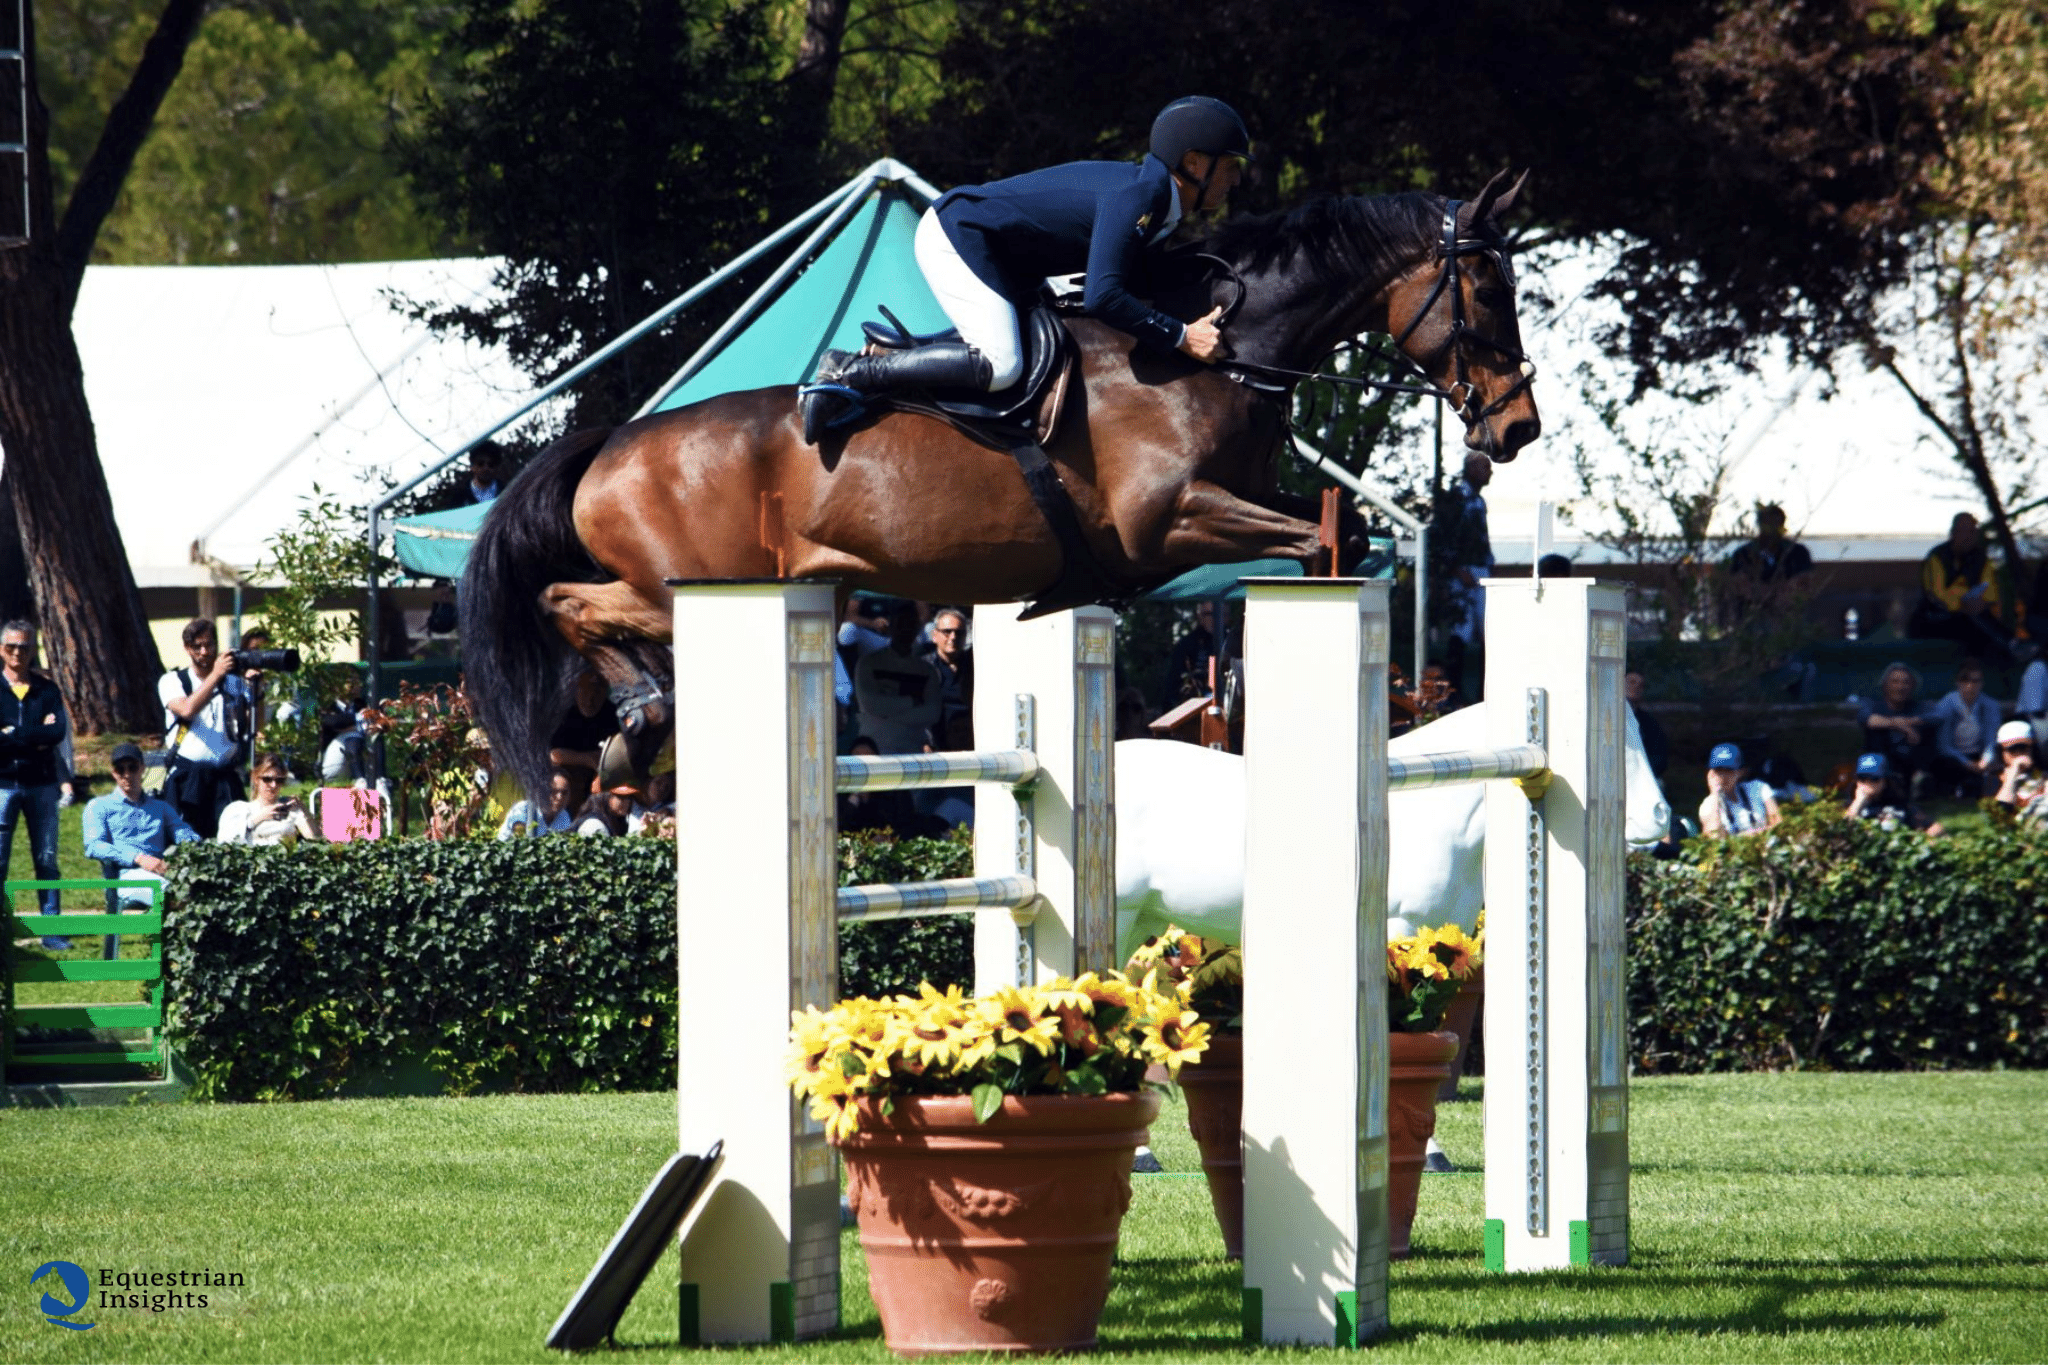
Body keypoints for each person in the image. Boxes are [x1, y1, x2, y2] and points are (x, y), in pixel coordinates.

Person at [799, 97, 1253, 441]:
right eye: (1231, 165)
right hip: (960, 234)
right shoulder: (1141, 197)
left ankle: (887, 356)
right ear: (1193, 163)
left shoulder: (1158, 204)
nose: (1236, 179)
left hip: (1005, 259)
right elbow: (1103, 296)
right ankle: (850, 372)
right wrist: (1181, 336)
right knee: (1002, 365)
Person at [0, 620, 69, 948]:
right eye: (11, 646)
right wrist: (34, 735)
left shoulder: (47, 690)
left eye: (24, 647)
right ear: (1, 649)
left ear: (33, 649)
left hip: (42, 785)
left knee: (46, 859)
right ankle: (2, 931)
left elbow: (57, 732)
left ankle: (51, 931)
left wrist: (11, 733)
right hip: (2, 786)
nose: (17, 652)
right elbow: (43, 734)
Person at [159, 617, 254, 839]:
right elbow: (186, 709)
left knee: (232, 839)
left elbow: (252, 726)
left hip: (225, 774)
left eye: (209, 645)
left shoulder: (234, 683)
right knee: (188, 841)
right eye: (197, 646)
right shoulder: (173, 680)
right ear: (187, 648)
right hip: (187, 777)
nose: (204, 652)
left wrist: (257, 690)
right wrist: (216, 675)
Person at [82, 742, 200, 909]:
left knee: (199, 890)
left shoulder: (161, 807)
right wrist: (137, 858)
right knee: (170, 894)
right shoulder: (99, 806)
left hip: (162, 872)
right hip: (124, 876)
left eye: (132, 768)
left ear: (142, 768)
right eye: (120, 769)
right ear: (113, 773)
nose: (127, 774)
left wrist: (195, 845)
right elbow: (93, 846)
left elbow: (182, 832)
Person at [1908, 512, 2012, 661]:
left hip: (1970, 615)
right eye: (1963, 531)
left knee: (1978, 624)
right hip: (1933, 618)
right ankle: (2011, 644)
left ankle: (2006, 652)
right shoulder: (1937, 557)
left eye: (1972, 532)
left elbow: (1990, 593)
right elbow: (1937, 596)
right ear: (1953, 533)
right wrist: (1964, 604)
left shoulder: (1981, 559)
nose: (1968, 537)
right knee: (1974, 627)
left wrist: (1981, 603)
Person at [854, 601, 946, 754]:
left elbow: (932, 713)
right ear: (891, 627)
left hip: (912, 749)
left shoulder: (927, 670)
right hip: (875, 749)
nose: (905, 630)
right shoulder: (868, 663)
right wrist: (913, 701)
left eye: (910, 625)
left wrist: (887, 716)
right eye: (901, 624)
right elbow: (871, 704)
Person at [1441, 452, 1495, 701]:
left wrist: (1490, 564)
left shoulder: (1479, 501)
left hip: (1481, 569)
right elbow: (1445, 536)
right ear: (1471, 469)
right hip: (1463, 570)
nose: (1490, 472)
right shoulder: (1457, 498)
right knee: (1461, 629)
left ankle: (1485, 692)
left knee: (1487, 629)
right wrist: (1455, 568)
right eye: (1485, 467)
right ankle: (1454, 692)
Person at [1927, 660, 2001, 798]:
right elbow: (1944, 745)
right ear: (1957, 682)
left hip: (1978, 756)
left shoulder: (1990, 705)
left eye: (1975, 681)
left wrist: (1985, 760)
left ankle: (1976, 784)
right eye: (1965, 681)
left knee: (1996, 764)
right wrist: (1966, 763)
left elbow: (1991, 739)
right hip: (1955, 758)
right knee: (1944, 765)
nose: (1970, 686)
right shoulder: (1947, 704)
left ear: (1982, 683)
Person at [1857, 662, 1933, 794]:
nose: (1900, 687)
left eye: (1905, 683)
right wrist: (1903, 726)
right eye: (1895, 682)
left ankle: (1919, 779)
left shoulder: (1920, 707)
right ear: (1885, 685)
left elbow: (1936, 717)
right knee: (1877, 732)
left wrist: (1912, 724)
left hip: (1910, 759)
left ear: (1913, 686)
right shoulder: (1873, 705)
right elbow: (1867, 719)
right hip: (1882, 761)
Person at [217, 752, 318, 845]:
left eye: (279, 780)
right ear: (255, 779)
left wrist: (304, 810)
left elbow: (315, 841)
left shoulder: (291, 808)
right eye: (267, 779)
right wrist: (257, 819)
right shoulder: (238, 809)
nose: (273, 785)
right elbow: (226, 843)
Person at [1843, 753, 1941, 835]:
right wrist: (1859, 802)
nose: (1868, 783)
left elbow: (1933, 827)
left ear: (1885, 780)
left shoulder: (1899, 805)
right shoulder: (1850, 806)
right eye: (1862, 778)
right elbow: (1843, 828)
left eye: (1874, 779)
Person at [1698, 742, 1780, 836]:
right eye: (1718, 770)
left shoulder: (1759, 788)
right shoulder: (1708, 805)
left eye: (1728, 770)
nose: (1723, 776)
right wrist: (1715, 795)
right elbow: (1713, 838)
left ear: (1741, 772)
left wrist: (1749, 835)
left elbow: (1778, 824)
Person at [921, 607, 975, 738]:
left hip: (970, 736)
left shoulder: (974, 665)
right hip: (937, 738)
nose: (953, 637)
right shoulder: (923, 667)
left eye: (959, 632)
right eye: (947, 631)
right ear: (935, 635)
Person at [1726, 503, 1813, 582]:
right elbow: (1737, 581)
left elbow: (1805, 579)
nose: (1771, 530)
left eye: (1776, 525)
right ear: (1760, 525)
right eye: (1767, 525)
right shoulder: (1743, 554)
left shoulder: (1797, 552)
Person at [1990, 720, 2047, 824]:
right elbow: (2000, 812)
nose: (2019, 753)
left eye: (2023, 748)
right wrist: (2014, 770)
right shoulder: (1993, 778)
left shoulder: (2044, 776)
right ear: (2001, 752)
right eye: (2012, 749)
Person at [498, 766, 576, 838]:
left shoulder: (564, 816)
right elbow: (522, 842)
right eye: (553, 791)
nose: (559, 797)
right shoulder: (523, 809)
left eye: (564, 793)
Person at [1623, 670, 1670, 783]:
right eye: (1632, 682)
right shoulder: (1607, 719)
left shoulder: (1650, 724)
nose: (1636, 687)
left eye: (1641, 685)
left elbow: (1660, 758)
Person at [573, 783, 646, 837]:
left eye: (629, 797)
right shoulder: (594, 825)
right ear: (604, 796)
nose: (627, 802)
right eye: (620, 797)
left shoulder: (618, 822)